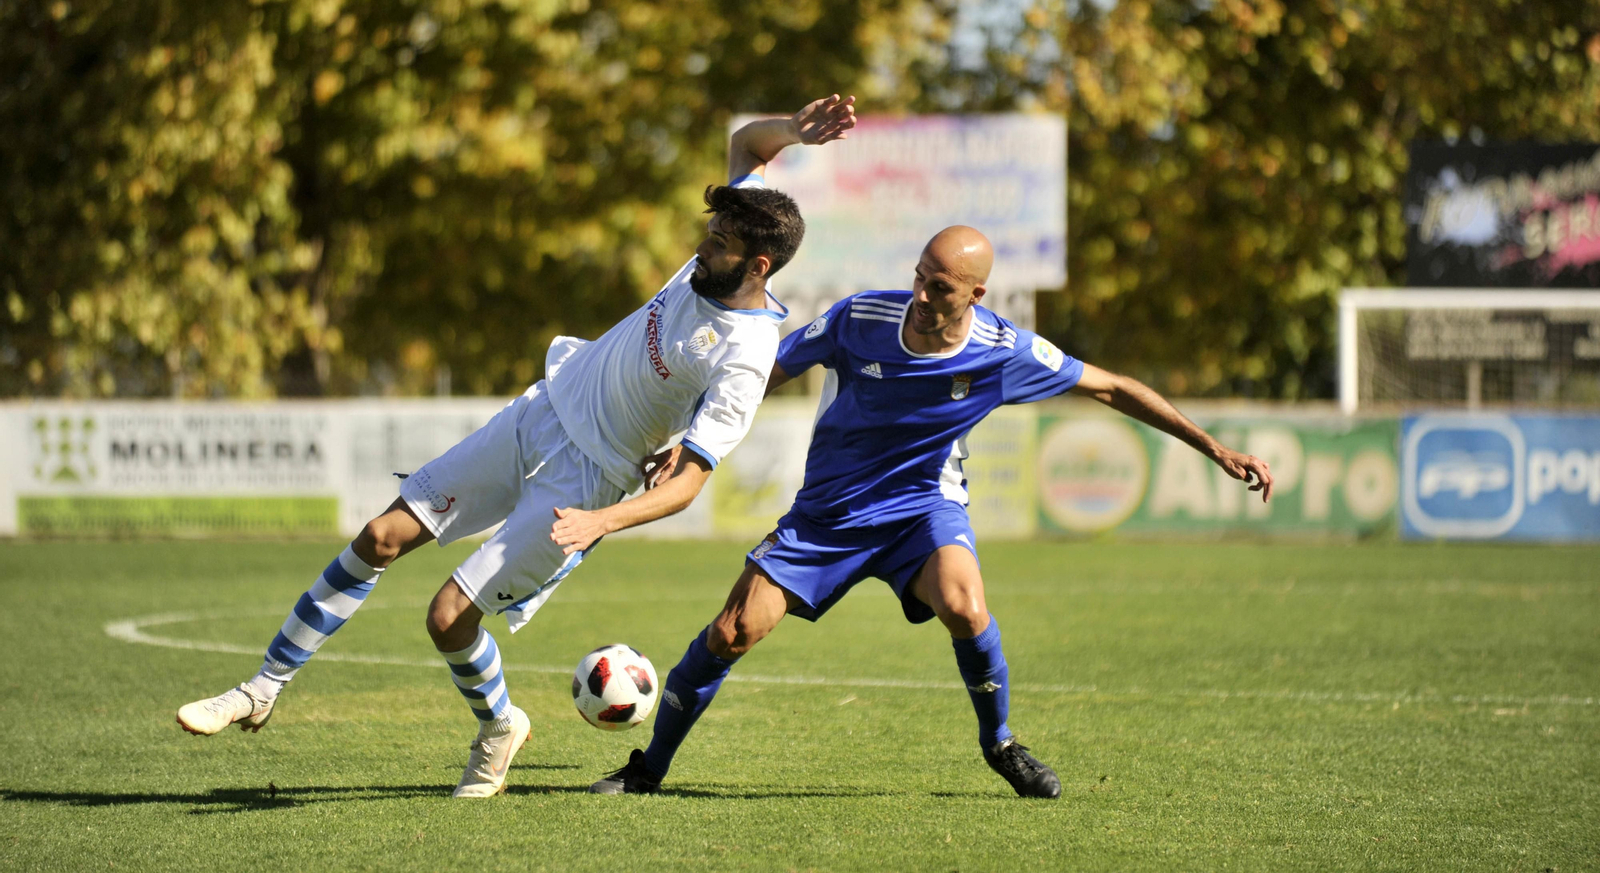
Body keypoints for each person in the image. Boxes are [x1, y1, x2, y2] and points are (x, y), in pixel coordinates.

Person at [175, 93, 858, 799]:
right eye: (709, 231)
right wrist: (796, 133)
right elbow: (750, 143)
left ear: (760, 263)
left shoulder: (746, 355)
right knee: (379, 536)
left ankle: (500, 724)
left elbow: (687, 482)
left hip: (587, 484)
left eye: (718, 244)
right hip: (537, 412)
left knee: (447, 617)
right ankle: (262, 686)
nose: (702, 247)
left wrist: (600, 522)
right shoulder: (714, 255)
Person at [581, 225, 1274, 799]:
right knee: (731, 631)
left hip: (921, 509)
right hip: (826, 514)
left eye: (938, 286)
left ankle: (1000, 744)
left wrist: (1213, 447)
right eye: (918, 275)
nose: (919, 293)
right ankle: (648, 770)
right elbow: (765, 376)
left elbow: (1114, 387)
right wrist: (689, 445)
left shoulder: (1005, 352)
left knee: (967, 606)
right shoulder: (861, 318)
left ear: (976, 293)